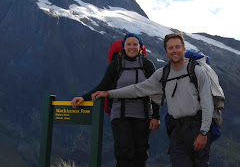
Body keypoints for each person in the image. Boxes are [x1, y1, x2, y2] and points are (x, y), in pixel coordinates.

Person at [92, 33, 214, 167]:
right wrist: (109, 93)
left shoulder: (197, 71)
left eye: (177, 47)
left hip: (197, 126)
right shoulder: (163, 73)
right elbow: (137, 89)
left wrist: (203, 132)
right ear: (166, 52)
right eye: (171, 48)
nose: (174, 51)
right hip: (176, 129)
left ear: (184, 49)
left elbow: (208, 103)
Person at [71, 33, 160, 167]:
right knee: (123, 153)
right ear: (123, 47)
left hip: (143, 115)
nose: (132, 47)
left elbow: (155, 90)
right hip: (120, 115)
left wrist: (156, 116)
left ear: (140, 47)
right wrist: (84, 97)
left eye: (135, 44)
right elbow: (104, 85)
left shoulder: (147, 65)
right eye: (128, 44)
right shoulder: (116, 64)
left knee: (140, 154)